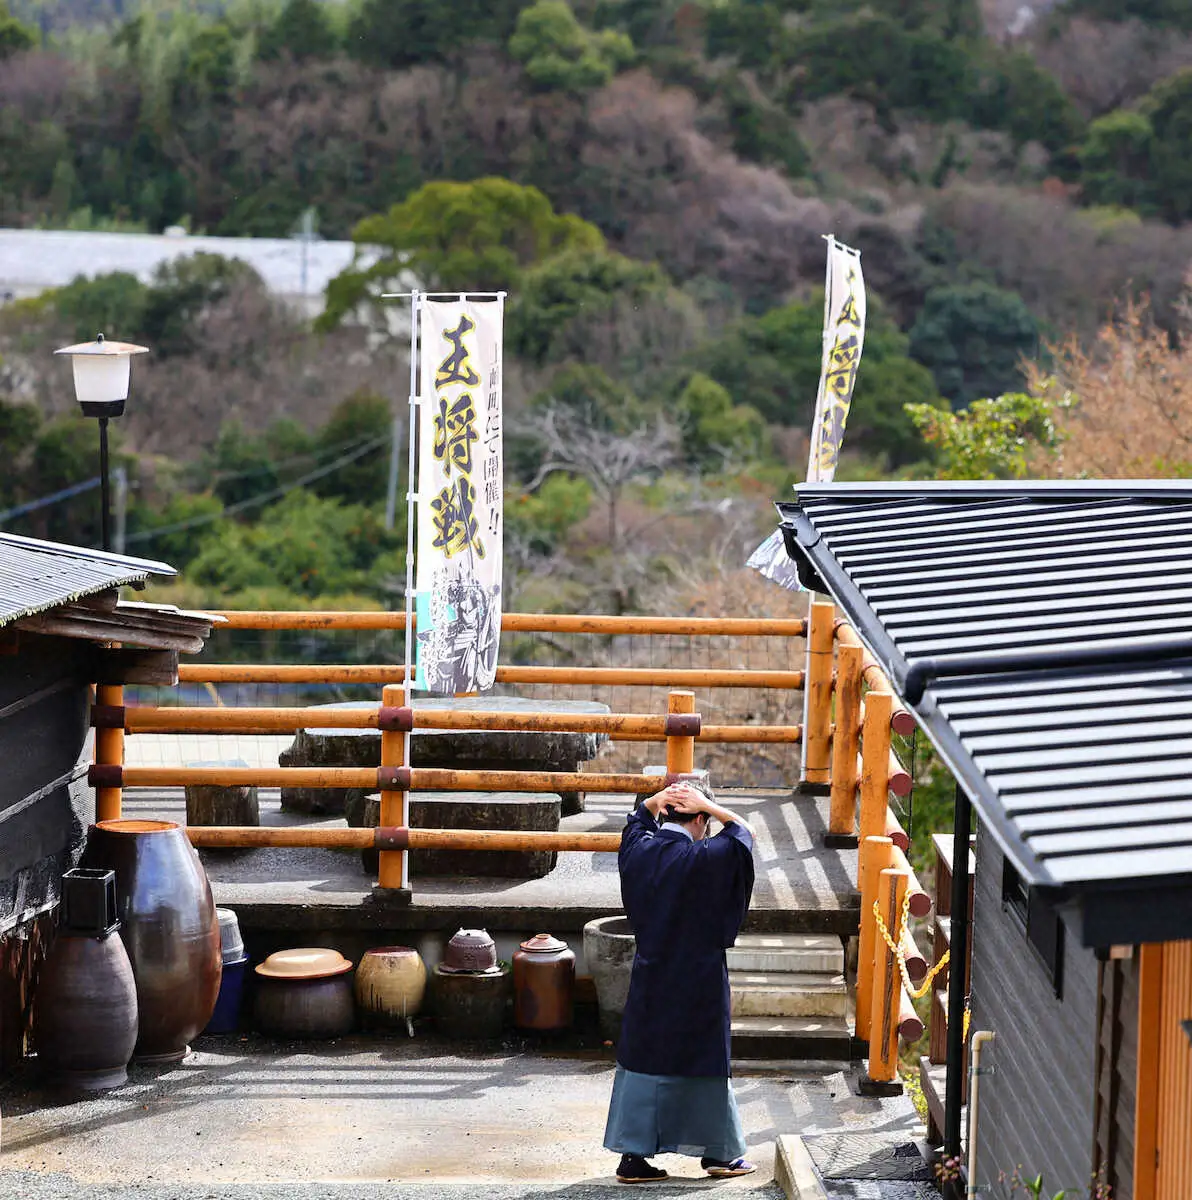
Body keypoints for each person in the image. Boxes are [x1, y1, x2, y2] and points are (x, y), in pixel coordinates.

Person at [603, 778, 756, 1184]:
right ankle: (718, 1154)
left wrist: (657, 799)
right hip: (699, 977)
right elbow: (744, 835)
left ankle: (633, 1157)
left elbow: (636, 821)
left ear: (666, 814)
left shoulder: (639, 852)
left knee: (644, 1060)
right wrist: (711, 804)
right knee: (704, 1061)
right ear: (702, 820)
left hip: (651, 973)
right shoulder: (707, 858)